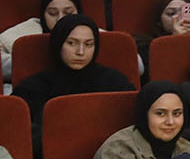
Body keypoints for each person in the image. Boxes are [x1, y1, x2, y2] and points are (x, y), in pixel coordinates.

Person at [14, 13, 131, 141]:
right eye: (71, 43)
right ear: (58, 44)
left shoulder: (116, 82)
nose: (80, 52)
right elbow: (15, 129)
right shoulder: (34, 88)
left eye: (88, 44)